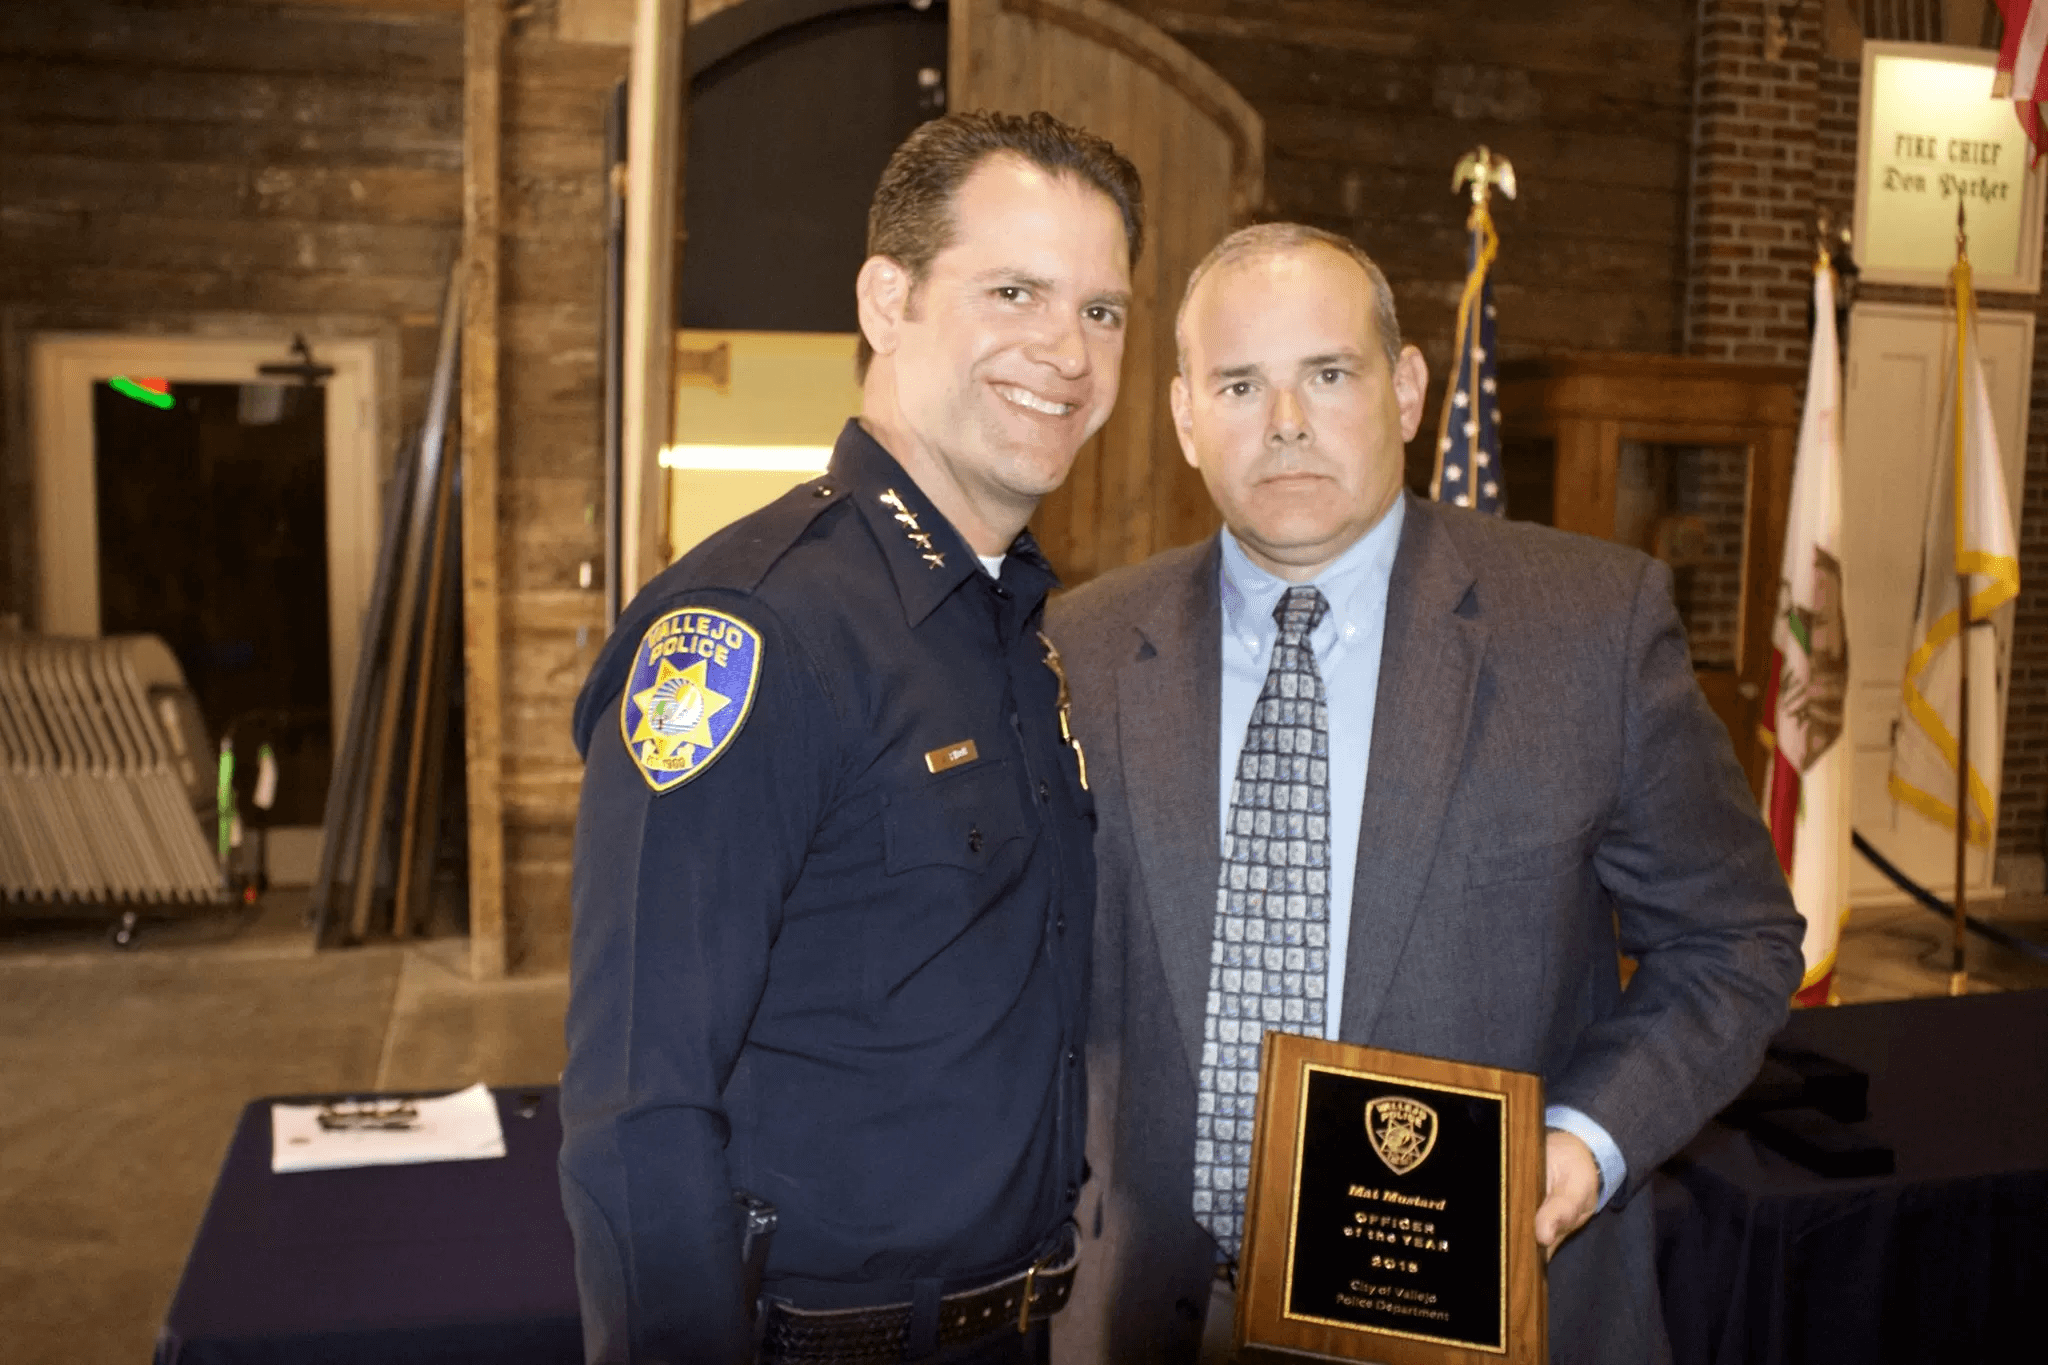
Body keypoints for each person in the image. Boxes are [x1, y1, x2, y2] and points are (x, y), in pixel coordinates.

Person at [1044, 223, 1805, 1364]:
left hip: (1476, 1314)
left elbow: (1733, 940)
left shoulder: (1585, 633)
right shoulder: (1080, 648)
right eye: (1240, 383)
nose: (1285, 422)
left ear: (1404, 391)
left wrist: (1581, 1142)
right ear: (1184, 415)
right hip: (1153, 1314)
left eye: (1328, 374)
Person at [559, 110, 1142, 1365]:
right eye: (1013, 290)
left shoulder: (1009, 631)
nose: (1066, 350)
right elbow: (636, 1106)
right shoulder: (753, 632)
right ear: (888, 300)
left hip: (1010, 1327)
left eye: (1102, 311)